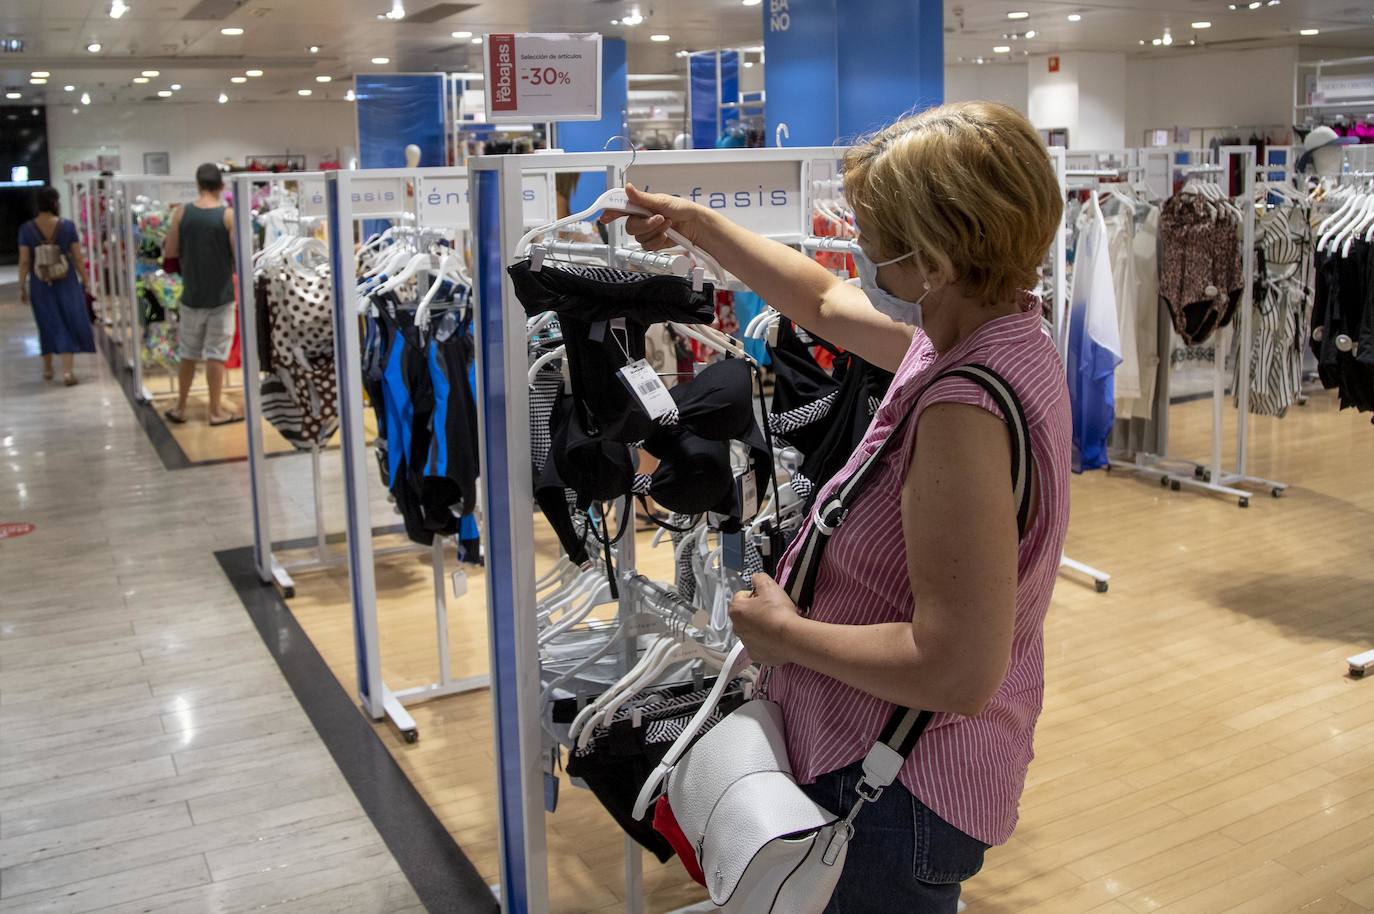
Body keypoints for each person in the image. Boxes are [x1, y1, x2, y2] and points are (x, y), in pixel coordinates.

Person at [604, 101, 1070, 912]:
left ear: (936, 255)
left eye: (876, 234)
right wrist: (696, 224)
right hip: (886, 758)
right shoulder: (985, 330)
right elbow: (819, 302)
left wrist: (784, 636)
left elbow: (957, 669)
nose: (859, 249)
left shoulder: (964, 407)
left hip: (895, 786)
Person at [162, 162, 242, 425]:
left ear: (197, 184)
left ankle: (180, 407)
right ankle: (215, 411)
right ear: (221, 185)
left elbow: (170, 252)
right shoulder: (228, 216)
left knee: (188, 352)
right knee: (216, 355)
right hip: (221, 296)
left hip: (191, 295)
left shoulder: (181, 214)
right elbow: (238, 256)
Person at [17, 186, 96, 385]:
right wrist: (85, 280)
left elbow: (24, 260)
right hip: (66, 280)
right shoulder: (67, 226)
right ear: (55, 202)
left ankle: (47, 368)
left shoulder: (26, 229)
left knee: (46, 323)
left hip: (40, 283)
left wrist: (21, 285)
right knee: (67, 321)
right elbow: (77, 257)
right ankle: (68, 372)